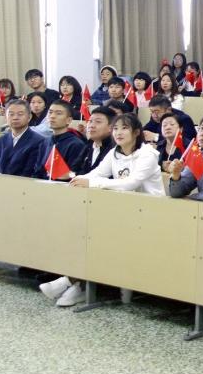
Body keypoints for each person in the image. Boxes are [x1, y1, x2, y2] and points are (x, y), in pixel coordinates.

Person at [43, 113, 165, 306]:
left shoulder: (147, 154)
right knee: (88, 234)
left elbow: (130, 183)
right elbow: (96, 173)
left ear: (136, 132)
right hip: (125, 212)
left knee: (103, 239)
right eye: (115, 128)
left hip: (151, 214)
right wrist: (75, 179)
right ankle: (77, 285)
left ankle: (71, 283)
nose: (118, 133)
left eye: (124, 128)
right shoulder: (114, 152)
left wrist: (92, 183)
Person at [0, 99, 48, 178]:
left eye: (20, 114)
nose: (15, 117)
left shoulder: (39, 141)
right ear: (6, 117)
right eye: (11, 114)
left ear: (29, 117)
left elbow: (30, 172)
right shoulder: (0, 141)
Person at [41, 101, 86, 180]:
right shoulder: (45, 142)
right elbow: (38, 169)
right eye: (50, 112)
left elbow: (74, 173)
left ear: (69, 120)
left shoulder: (76, 144)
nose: (52, 116)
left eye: (58, 113)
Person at [73, 105, 116, 175]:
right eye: (90, 121)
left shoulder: (115, 149)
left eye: (98, 122)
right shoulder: (89, 145)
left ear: (111, 127)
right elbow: (74, 169)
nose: (91, 125)